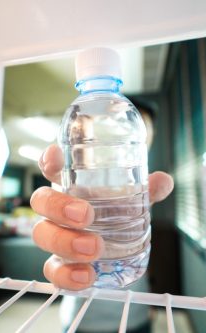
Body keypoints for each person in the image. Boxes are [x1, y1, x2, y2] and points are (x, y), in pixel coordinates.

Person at [30, 99, 174, 332]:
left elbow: (139, 244)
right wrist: (59, 231)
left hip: (137, 314)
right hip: (80, 317)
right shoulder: (75, 186)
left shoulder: (141, 187)